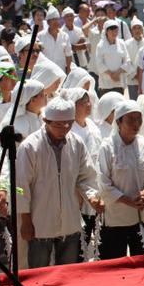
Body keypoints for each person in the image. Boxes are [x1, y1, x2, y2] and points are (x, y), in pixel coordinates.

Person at [17, 96, 101, 268]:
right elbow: (21, 186)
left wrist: (92, 197)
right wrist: (25, 221)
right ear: (46, 121)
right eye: (58, 124)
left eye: (68, 123)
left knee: (67, 273)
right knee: (38, 274)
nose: (64, 128)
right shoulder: (30, 147)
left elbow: (86, 176)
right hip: (40, 222)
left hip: (69, 221)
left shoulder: (76, 143)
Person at [97, 100, 144, 260]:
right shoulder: (108, 148)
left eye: (139, 119)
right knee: (115, 264)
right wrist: (128, 201)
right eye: (131, 119)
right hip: (117, 219)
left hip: (142, 216)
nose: (136, 124)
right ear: (118, 122)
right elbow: (104, 185)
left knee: (143, 262)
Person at [62, 88, 104, 255]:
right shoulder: (69, 130)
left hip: (96, 187)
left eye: (89, 101)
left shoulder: (92, 126)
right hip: (78, 190)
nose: (89, 105)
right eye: (83, 102)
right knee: (80, 238)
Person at [95, 20, 131, 96]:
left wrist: (117, 73)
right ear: (106, 31)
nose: (114, 32)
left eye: (116, 30)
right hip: (105, 84)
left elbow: (127, 60)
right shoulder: (100, 46)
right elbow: (99, 64)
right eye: (111, 30)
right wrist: (111, 75)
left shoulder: (121, 43)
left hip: (119, 82)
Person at [39, 5, 72, 73]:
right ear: (48, 22)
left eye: (57, 19)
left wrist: (68, 69)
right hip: (46, 71)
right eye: (53, 20)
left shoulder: (65, 36)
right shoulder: (40, 36)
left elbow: (68, 54)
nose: (56, 22)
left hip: (61, 71)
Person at [125, 18, 144, 100]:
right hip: (132, 79)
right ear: (131, 30)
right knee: (134, 103)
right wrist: (135, 74)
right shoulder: (126, 44)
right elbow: (126, 61)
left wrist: (141, 75)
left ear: (142, 29)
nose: (137, 30)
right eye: (134, 28)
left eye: (139, 27)